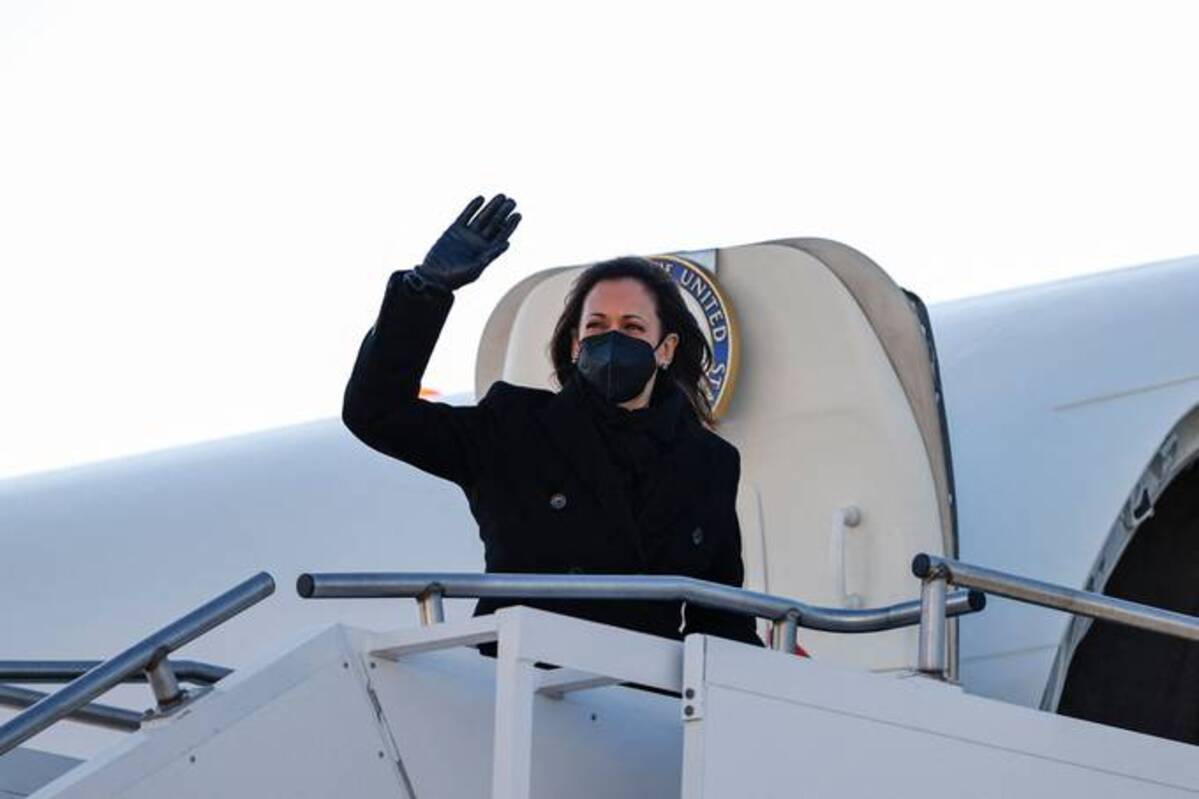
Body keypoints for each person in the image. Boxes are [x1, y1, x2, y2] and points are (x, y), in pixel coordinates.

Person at [343, 193, 761, 647]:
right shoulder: (513, 427)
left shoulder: (708, 462)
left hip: (643, 701)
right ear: (576, 346)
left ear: (666, 349)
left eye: (633, 327)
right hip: (519, 686)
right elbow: (376, 413)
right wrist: (426, 290)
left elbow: (721, 620)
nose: (613, 339)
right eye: (597, 327)